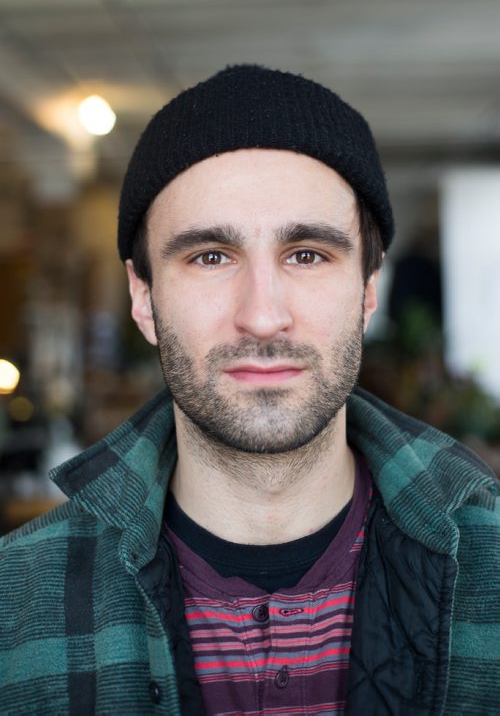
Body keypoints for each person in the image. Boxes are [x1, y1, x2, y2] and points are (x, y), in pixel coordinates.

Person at [0, 65, 498, 716]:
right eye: (210, 256)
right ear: (143, 297)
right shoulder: (14, 602)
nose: (262, 315)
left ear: (369, 289)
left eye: (308, 254)